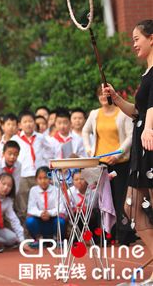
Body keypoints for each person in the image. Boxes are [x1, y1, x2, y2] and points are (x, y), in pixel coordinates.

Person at [103, 20, 153, 281]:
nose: (133, 43)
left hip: (150, 145)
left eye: (137, 38)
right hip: (142, 151)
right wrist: (116, 98)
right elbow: (138, 111)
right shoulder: (146, 74)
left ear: (152, 38)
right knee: (131, 208)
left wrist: (149, 129)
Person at [82, 86, 134, 245]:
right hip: (102, 163)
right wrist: (90, 150)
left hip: (121, 163)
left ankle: (125, 237)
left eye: (106, 94)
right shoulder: (95, 114)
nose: (104, 97)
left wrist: (117, 154)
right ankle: (106, 237)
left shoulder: (123, 113)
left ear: (113, 94)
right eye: (100, 95)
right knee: (104, 200)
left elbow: (131, 136)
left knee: (122, 200)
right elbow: (85, 132)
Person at [13, 111, 54, 229]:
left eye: (30, 121)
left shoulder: (40, 137)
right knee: (22, 206)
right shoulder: (16, 139)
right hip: (23, 175)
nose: (28, 124)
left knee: (40, 205)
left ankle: (41, 233)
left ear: (34, 123)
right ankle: (25, 235)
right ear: (20, 125)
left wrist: (45, 162)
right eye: (25, 122)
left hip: (38, 176)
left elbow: (49, 150)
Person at [26, 167, 66, 245]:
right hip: (40, 221)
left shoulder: (56, 189)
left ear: (50, 178)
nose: (43, 181)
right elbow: (31, 208)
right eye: (40, 178)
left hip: (53, 221)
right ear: (36, 179)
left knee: (60, 221)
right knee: (30, 221)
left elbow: (61, 208)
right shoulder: (33, 190)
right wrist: (41, 213)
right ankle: (39, 239)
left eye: (45, 178)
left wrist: (49, 213)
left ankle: (56, 238)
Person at [69, 171, 100, 244]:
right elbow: (67, 205)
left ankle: (95, 237)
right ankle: (77, 237)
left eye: (82, 179)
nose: (79, 181)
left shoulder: (94, 191)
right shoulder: (70, 192)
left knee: (94, 216)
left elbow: (96, 206)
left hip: (91, 215)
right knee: (76, 215)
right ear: (73, 181)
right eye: (76, 180)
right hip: (78, 216)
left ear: (87, 180)